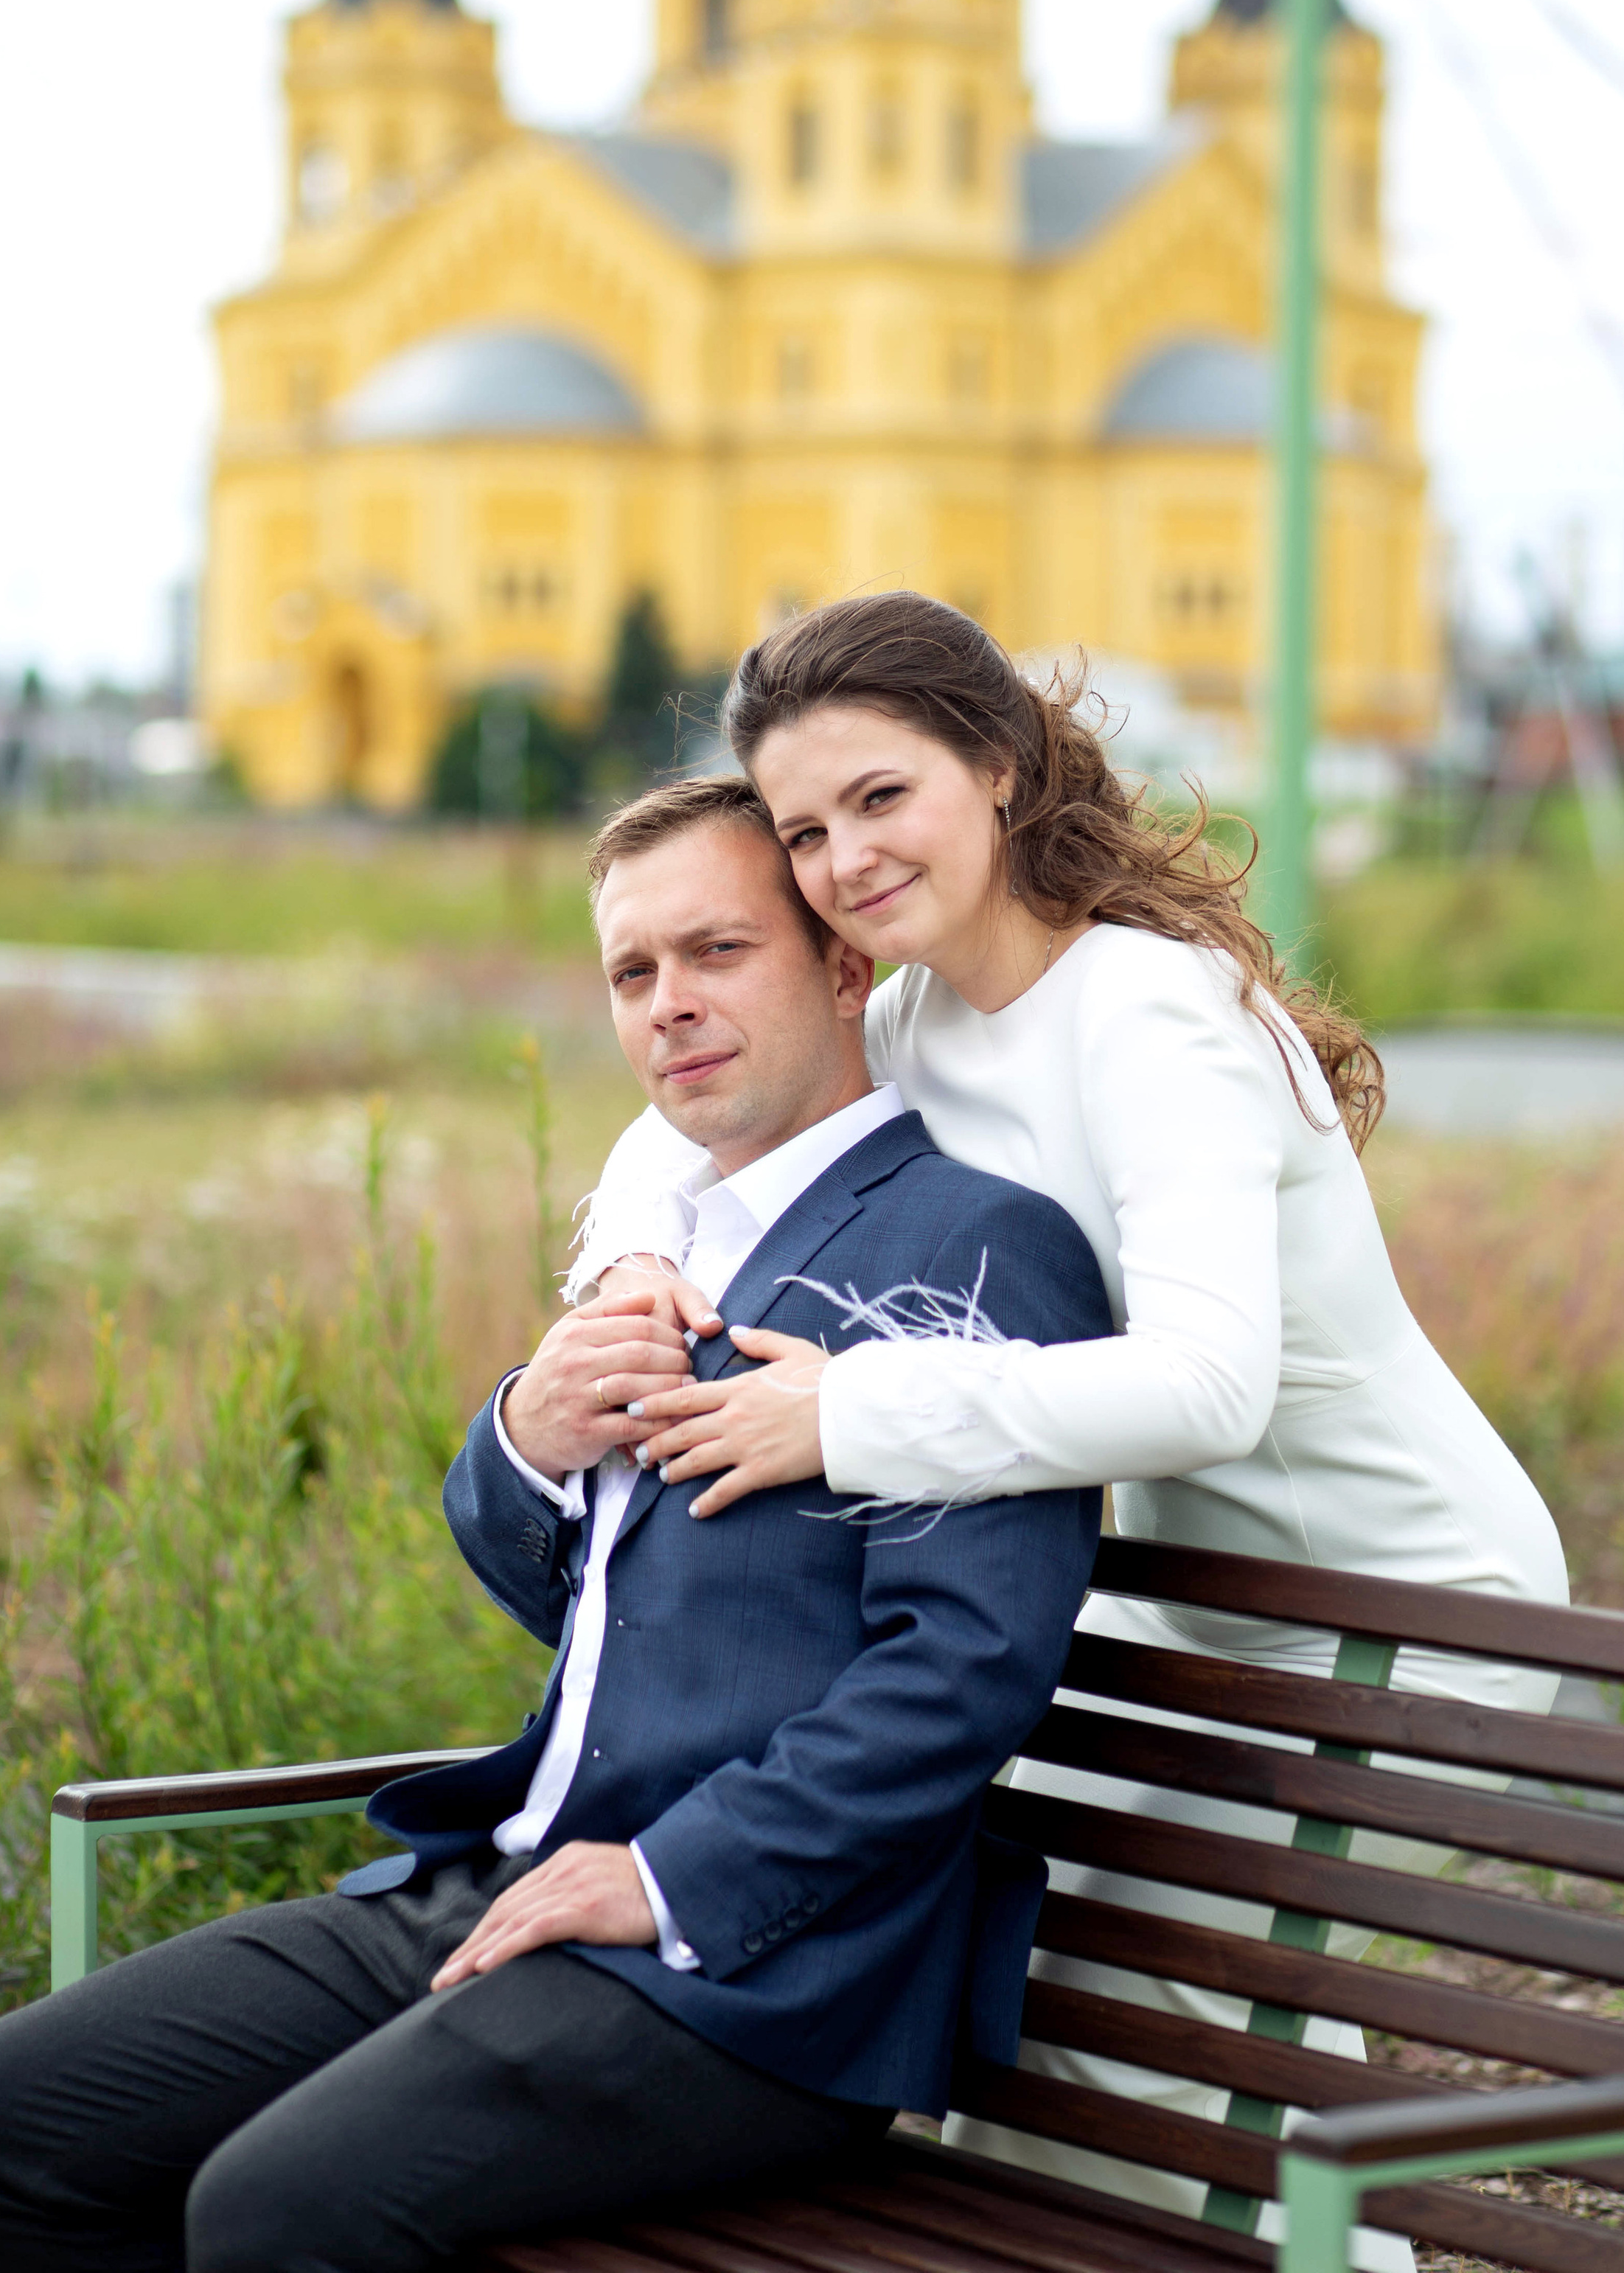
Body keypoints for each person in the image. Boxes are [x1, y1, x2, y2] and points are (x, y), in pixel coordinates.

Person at [0, 774, 1113, 2273]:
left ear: (841, 966)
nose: (668, 1003)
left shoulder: (971, 1242)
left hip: (756, 1967)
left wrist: (671, 1875)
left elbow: (963, 1670)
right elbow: (581, 1589)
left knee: (275, 2214)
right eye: (632, 972)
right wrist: (522, 1437)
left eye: (717, 952)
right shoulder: (666, 1245)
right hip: (510, 1873)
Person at [571, 591, 1569, 2225]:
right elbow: (684, 1125)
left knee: (1185, 2046)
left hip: (1399, 1606)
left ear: (1000, 768)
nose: (843, 859)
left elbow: (1206, 1386)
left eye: (881, 798)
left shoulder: (1154, 1016)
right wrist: (626, 1267)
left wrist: (853, 1416)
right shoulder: (911, 1012)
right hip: (1198, 1614)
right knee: (1031, 2005)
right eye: (806, 829)